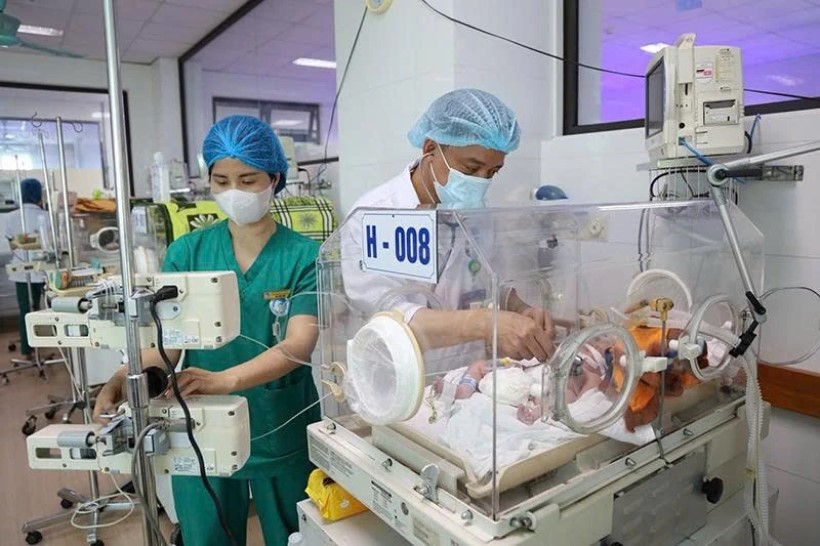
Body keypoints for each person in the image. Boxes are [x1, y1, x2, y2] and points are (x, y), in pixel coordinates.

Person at [92, 115, 320, 546]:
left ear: (274, 178)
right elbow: (167, 346)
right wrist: (126, 378)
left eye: (248, 180)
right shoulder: (187, 252)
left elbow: (298, 344)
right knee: (206, 535)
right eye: (222, 180)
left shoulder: (304, 256)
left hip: (280, 421)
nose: (234, 191)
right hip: (199, 425)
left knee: (296, 537)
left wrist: (225, 380)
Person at [344, 89, 555, 363]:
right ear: (430, 149)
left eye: (492, 172)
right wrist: (485, 323)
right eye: (470, 169)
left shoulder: (476, 213)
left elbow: (487, 283)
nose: (480, 182)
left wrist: (519, 309)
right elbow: (388, 315)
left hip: (465, 373)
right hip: (399, 372)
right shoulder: (373, 216)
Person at [5, 178, 49, 360]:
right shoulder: (46, 216)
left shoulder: (10, 217)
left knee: (26, 309)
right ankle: (37, 343)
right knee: (40, 308)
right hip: (43, 270)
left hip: (21, 271)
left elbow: (10, 244)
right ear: (39, 195)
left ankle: (27, 350)